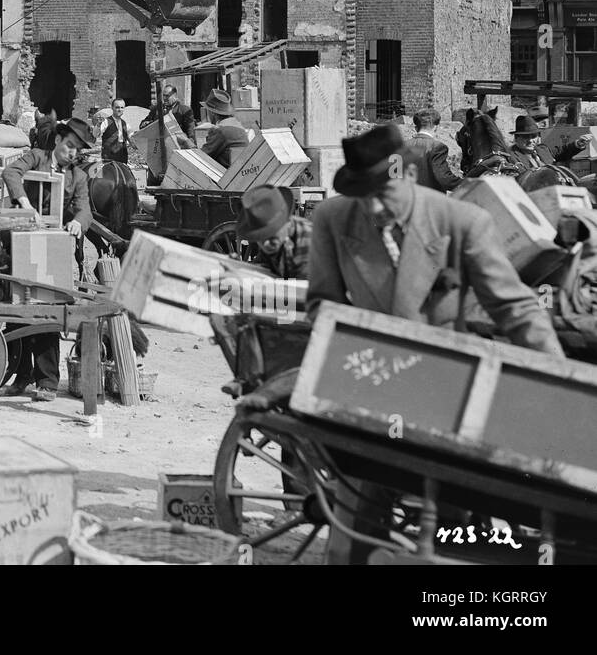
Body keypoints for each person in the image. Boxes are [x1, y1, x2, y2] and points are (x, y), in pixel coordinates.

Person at [290, 122, 564, 563]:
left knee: (452, 510)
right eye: (365, 194)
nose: (375, 206)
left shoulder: (462, 221)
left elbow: (515, 308)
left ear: (409, 177)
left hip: (449, 385)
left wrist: (556, 378)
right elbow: (322, 303)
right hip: (373, 380)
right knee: (360, 500)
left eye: (384, 193)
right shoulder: (333, 218)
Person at [0, 116, 95, 401]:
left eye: (77, 149)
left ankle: (47, 382)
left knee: (48, 311)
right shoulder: (36, 157)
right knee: (16, 311)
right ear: (57, 141)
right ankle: (21, 375)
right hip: (19, 242)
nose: (72, 152)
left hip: (48, 247)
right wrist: (25, 204)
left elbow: (85, 209)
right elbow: (11, 173)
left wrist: (78, 222)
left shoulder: (78, 177)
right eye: (69, 145)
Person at [235, 186, 312, 280]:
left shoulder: (309, 242)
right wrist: (237, 269)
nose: (266, 243)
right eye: (260, 237)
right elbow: (262, 266)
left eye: (271, 236)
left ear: (287, 222)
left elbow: (303, 290)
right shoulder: (272, 243)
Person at [400, 109, 462, 192]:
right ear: (436, 128)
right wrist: (467, 183)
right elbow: (444, 178)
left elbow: (391, 178)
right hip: (430, 201)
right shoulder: (438, 147)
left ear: (416, 128)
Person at [511, 114, 587, 171]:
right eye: (525, 137)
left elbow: (563, 151)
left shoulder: (543, 149)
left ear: (538, 137)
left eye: (533, 136)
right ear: (516, 138)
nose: (530, 141)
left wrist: (578, 144)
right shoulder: (510, 157)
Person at [200, 89, 247, 170]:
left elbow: (202, 156)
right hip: (239, 171)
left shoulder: (220, 130)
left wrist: (187, 143)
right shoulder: (239, 125)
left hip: (225, 174)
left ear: (213, 113)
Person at [101, 98, 131, 164]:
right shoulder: (105, 122)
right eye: (117, 107)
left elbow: (132, 141)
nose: (120, 110)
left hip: (122, 156)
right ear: (112, 108)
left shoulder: (126, 124)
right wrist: (97, 126)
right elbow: (95, 134)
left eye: (122, 107)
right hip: (109, 156)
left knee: (122, 174)